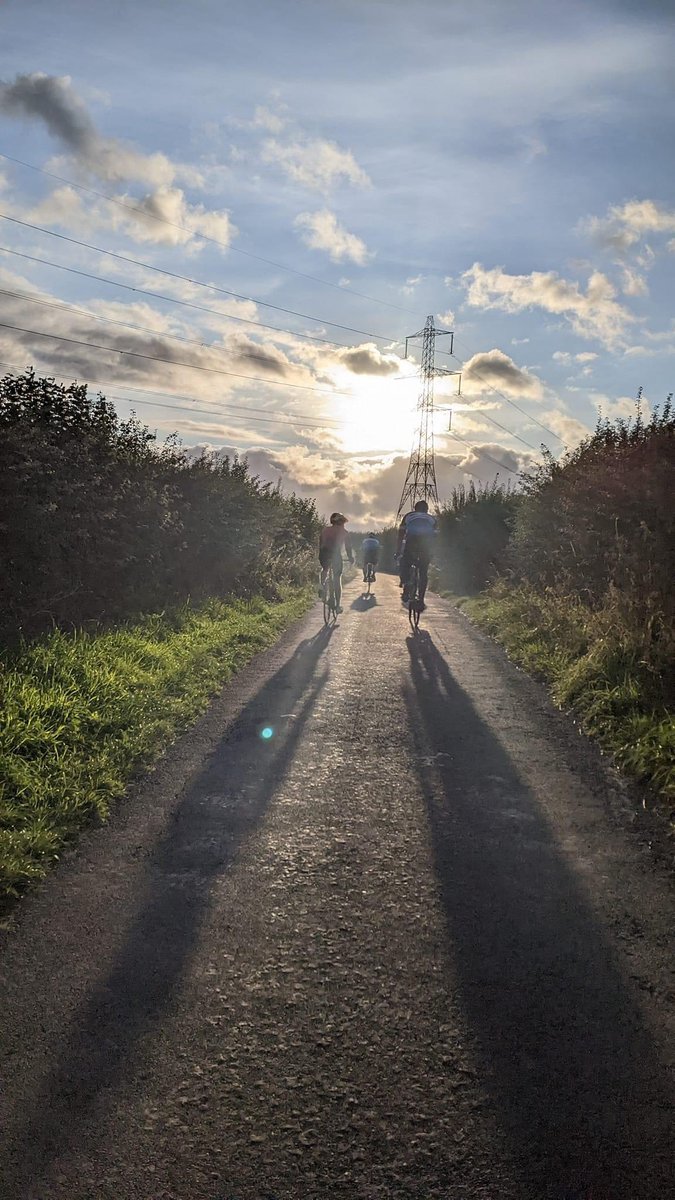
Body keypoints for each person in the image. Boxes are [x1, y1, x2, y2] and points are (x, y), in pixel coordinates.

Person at [396, 499, 437, 610]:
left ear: (415, 508)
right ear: (427, 510)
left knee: (405, 562)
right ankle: (421, 599)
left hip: (412, 540)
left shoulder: (409, 516)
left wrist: (398, 551)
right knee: (423, 571)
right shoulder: (432, 518)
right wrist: (432, 553)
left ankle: (406, 583)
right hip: (426, 543)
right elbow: (435, 538)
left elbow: (401, 534)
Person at [318, 512, 354, 614]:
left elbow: (321, 544)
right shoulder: (344, 532)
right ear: (342, 522)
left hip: (324, 554)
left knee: (325, 569)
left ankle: (322, 585)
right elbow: (348, 548)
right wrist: (350, 558)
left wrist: (321, 555)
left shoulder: (325, 530)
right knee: (337, 579)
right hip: (335, 555)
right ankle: (338, 606)